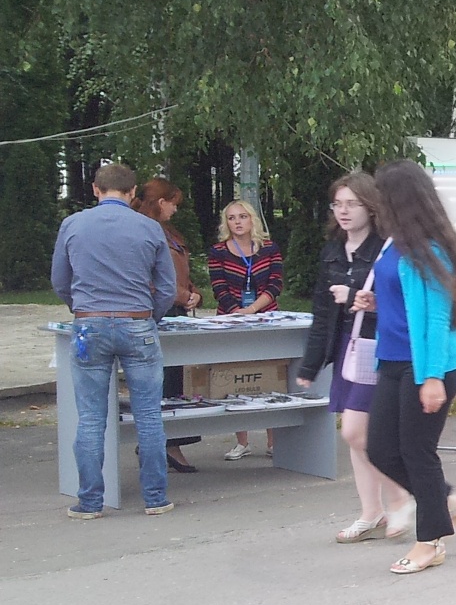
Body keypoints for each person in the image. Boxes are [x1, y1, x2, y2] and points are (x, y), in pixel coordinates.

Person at [360, 160, 456, 574]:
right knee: (380, 449)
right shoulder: (393, 243)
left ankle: (430, 543)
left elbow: (437, 319)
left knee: (416, 452)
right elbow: (405, 299)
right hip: (392, 360)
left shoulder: (430, 249)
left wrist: (432, 378)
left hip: (427, 364)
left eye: (381, 196)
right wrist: (378, 303)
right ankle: (443, 501)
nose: (376, 205)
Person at [51, 162, 178, 518]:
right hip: (137, 322)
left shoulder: (72, 224)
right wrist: (150, 316)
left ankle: (90, 502)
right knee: (148, 416)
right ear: (132, 191)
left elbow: (60, 280)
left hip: (89, 326)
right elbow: (167, 287)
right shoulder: (150, 228)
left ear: (95, 189)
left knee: (91, 418)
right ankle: (155, 498)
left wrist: (81, 309)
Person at [295, 172, 412, 543]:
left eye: (352, 204)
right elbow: (321, 313)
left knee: (356, 431)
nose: (343, 211)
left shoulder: (387, 249)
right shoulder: (332, 251)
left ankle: (399, 498)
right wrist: (310, 364)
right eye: (337, 204)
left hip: (378, 346)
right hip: (347, 348)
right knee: (357, 435)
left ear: (371, 207)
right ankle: (371, 511)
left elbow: (401, 306)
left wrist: (355, 296)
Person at [207, 197, 285, 460]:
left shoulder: (269, 248)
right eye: (231, 218)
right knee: (235, 379)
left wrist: (253, 310)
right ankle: (242, 441)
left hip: (265, 318)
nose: (237, 222)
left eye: (242, 216)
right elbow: (219, 287)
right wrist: (237, 313)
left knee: (268, 378)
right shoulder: (218, 251)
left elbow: (275, 283)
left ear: (252, 219)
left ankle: (273, 440)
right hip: (231, 320)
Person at [135, 179, 203, 473]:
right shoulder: (143, 230)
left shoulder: (169, 232)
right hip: (158, 309)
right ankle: (161, 445)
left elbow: (180, 271)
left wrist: (194, 293)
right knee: (162, 381)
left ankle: (171, 442)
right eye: (173, 204)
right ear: (161, 202)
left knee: (177, 380)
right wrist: (181, 295)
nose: (175, 210)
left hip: (177, 308)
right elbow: (148, 278)